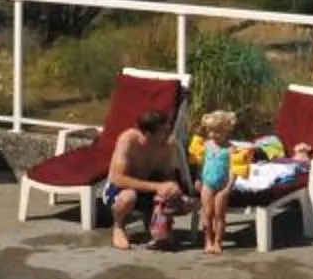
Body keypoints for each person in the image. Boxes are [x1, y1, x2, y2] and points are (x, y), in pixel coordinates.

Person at [101, 107, 186, 249]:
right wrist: (157, 187)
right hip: (119, 189)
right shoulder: (129, 140)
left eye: (168, 130)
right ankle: (119, 227)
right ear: (147, 133)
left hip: (146, 187)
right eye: (163, 132)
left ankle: (156, 228)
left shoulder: (166, 145)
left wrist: (172, 188)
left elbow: (166, 176)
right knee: (129, 197)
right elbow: (118, 179)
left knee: (178, 200)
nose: (168, 135)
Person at [192, 109, 239, 255]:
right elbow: (201, 164)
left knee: (219, 215)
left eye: (217, 132)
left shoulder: (230, 149)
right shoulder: (206, 146)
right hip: (207, 184)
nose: (213, 135)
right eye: (210, 131)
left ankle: (218, 241)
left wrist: (229, 186)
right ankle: (208, 241)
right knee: (207, 214)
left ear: (226, 131)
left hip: (222, 185)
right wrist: (198, 178)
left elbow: (234, 169)